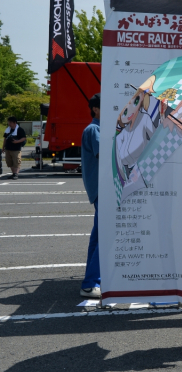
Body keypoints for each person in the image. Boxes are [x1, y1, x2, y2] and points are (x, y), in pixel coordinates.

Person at [79, 95, 101, 298]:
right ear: (95, 109)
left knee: (98, 236)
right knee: (105, 236)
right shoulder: (94, 129)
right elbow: (104, 155)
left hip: (99, 190)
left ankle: (90, 281)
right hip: (102, 190)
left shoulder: (95, 128)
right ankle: (91, 282)